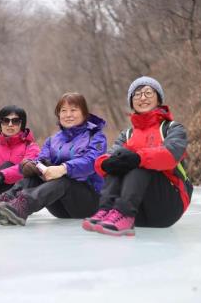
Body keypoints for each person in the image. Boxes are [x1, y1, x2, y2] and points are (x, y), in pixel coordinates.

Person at [82, 76, 193, 236]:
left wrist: (139, 158)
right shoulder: (127, 134)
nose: (142, 98)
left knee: (138, 161)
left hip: (168, 205)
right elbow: (107, 157)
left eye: (148, 93)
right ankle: (106, 210)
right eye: (137, 94)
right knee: (118, 161)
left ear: (159, 99)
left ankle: (125, 214)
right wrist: (105, 164)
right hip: (137, 209)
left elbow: (170, 156)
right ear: (132, 102)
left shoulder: (172, 128)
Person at [0, 92, 107, 226]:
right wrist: (33, 165)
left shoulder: (96, 137)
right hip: (60, 207)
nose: (68, 115)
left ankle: (22, 206)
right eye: (63, 111)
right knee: (34, 176)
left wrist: (63, 168)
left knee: (64, 181)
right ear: (58, 115)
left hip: (88, 204)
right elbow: (41, 159)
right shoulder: (52, 140)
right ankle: (6, 203)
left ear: (84, 113)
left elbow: (91, 163)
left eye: (73, 110)